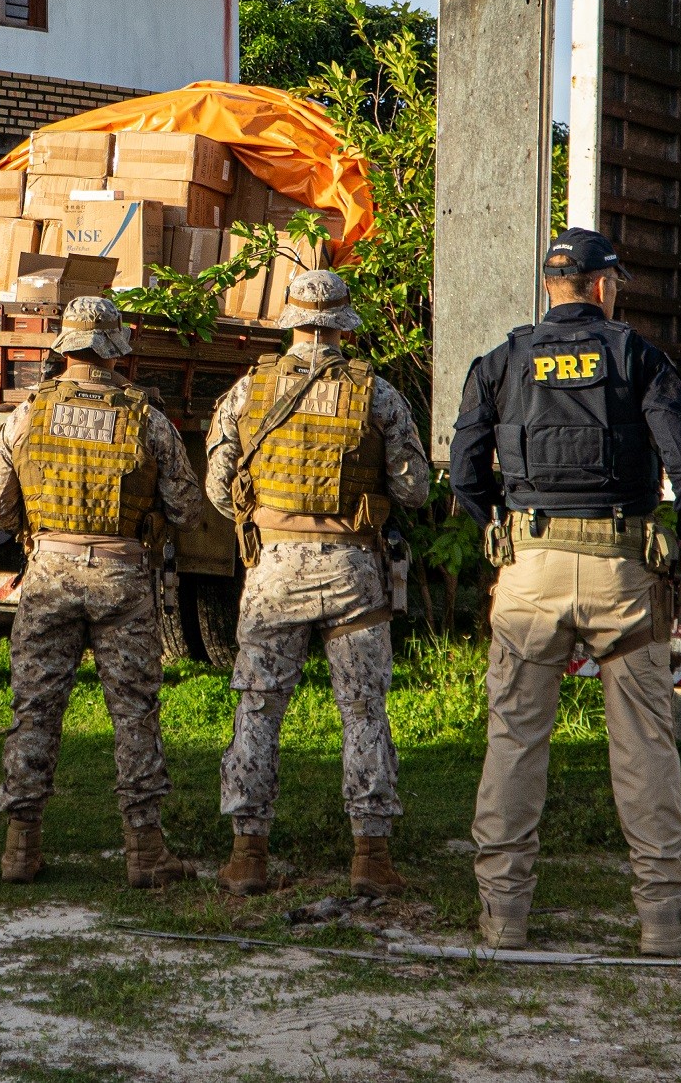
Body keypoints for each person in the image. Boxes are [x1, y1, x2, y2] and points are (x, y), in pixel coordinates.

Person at [449, 228, 681, 957]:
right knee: (644, 747)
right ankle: (663, 920)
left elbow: (464, 465)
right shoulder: (635, 356)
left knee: (513, 741)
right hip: (622, 574)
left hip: (529, 571)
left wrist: (498, 527)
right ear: (602, 287)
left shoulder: (501, 361)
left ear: (549, 286)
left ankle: (502, 916)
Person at [205, 267, 431, 898]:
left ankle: (247, 856)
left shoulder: (247, 391)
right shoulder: (378, 395)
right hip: (354, 570)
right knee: (363, 710)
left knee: (258, 705)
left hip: (273, 570)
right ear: (343, 325)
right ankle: (370, 858)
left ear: (292, 322)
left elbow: (219, 491)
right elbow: (414, 488)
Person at [0, 295, 205, 887]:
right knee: (134, 713)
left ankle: (20, 848)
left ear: (66, 346)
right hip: (121, 576)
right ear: (114, 349)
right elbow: (186, 507)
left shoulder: (29, 413)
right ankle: (145, 850)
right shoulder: (146, 418)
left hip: (48, 573)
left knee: (35, 711)